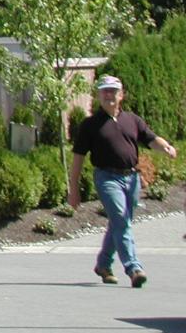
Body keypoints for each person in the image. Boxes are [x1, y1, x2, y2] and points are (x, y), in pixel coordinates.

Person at [69, 74, 177, 287]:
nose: (109, 95)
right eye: (104, 91)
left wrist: (166, 147)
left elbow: (150, 139)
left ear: (121, 95)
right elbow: (78, 158)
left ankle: (103, 264)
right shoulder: (90, 125)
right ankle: (133, 267)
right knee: (120, 218)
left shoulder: (132, 120)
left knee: (120, 223)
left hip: (131, 178)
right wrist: (73, 188)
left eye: (113, 91)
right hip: (106, 178)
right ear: (99, 95)